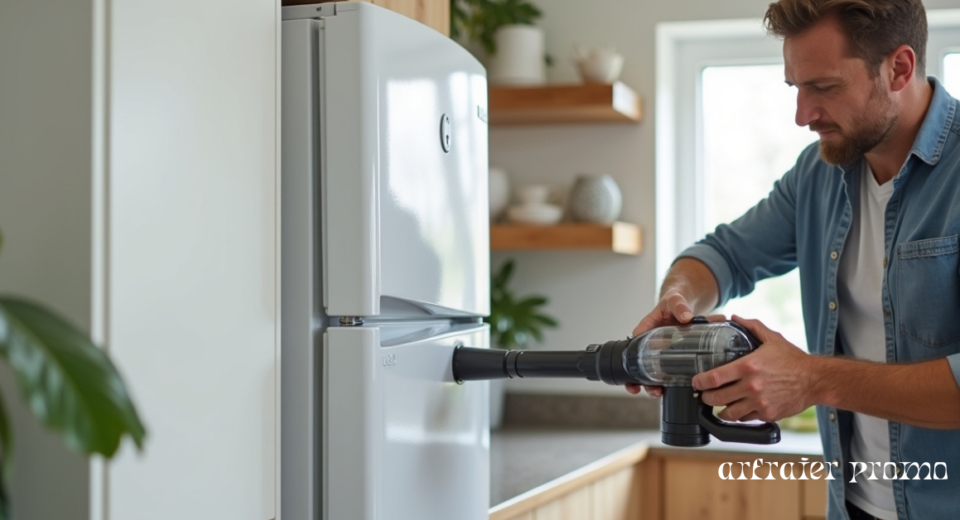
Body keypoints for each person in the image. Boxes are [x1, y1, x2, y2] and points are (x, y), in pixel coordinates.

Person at [628, 1, 960, 519]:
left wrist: (811, 379)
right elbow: (723, 254)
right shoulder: (818, 174)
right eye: (796, 88)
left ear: (899, 68)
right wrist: (678, 300)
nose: (803, 115)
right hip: (852, 506)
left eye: (823, 88)